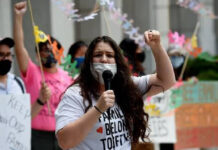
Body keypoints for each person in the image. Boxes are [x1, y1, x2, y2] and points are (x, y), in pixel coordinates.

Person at [55, 30, 176, 150]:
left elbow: (166, 81)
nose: (104, 59)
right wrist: (98, 109)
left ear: (117, 61)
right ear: (89, 62)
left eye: (109, 55)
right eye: (98, 55)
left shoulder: (127, 86)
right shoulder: (75, 95)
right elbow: (65, 142)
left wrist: (157, 47)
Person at [13, 1, 72, 150]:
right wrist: (19, 18)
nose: (49, 52)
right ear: (38, 54)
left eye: (53, 49)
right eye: (45, 49)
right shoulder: (32, 71)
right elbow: (19, 47)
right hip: (37, 136)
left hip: (62, 134)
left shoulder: (67, 77)